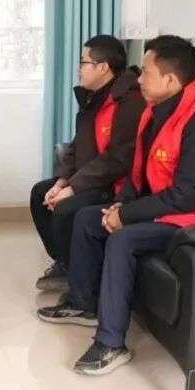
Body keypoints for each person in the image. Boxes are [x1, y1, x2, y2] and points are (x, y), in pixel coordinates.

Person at [37, 35, 195, 376]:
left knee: (123, 239)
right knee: (89, 219)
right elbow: (140, 172)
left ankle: (111, 343)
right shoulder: (156, 111)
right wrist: (119, 205)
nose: (139, 78)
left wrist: (127, 216)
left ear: (170, 80)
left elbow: (188, 196)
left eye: (146, 72)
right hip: (169, 211)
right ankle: (83, 303)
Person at [30, 35, 146, 291]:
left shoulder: (129, 101)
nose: (79, 69)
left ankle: (79, 275)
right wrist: (61, 182)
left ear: (103, 67)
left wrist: (73, 188)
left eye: (83, 62)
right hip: (94, 178)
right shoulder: (95, 98)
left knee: (65, 208)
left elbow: (118, 159)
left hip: (117, 185)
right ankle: (66, 263)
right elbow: (76, 145)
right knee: (40, 194)